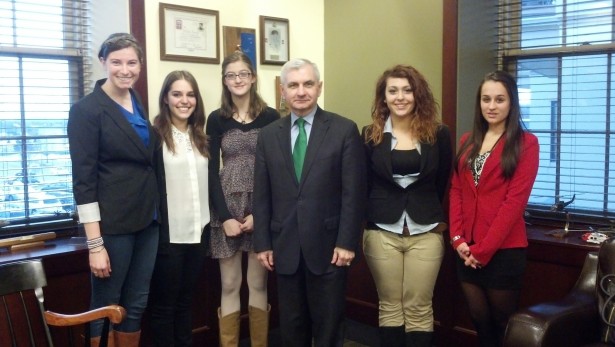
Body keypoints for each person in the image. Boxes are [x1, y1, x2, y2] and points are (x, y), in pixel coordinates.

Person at [253, 58, 366, 347]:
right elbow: (262, 193)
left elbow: (353, 192)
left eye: (307, 84)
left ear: (319, 87)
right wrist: (263, 242)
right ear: (282, 90)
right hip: (285, 246)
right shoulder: (268, 136)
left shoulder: (343, 130)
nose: (301, 91)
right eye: (293, 85)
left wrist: (347, 241)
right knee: (291, 326)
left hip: (330, 248)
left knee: (328, 325)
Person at [67, 33, 158, 347]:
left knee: (137, 302)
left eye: (132, 62)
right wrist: (95, 245)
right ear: (103, 62)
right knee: (107, 303)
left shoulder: (136, 100)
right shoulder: (86, 110)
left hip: (149, 220)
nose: (125, 69)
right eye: (117, 62)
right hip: (113, 226)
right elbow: (84, 182)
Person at [362, 64, 452, 347]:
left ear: (417, 95)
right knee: (389, 306)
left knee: (419, 308)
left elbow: (442, 182)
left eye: (407, 90)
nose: (400, 97)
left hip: (425, 231)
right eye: (393, 91)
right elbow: (363, 184)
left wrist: (426, 210)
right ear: (384, 97)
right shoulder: (369, 135)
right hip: (381, 230)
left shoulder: (438, 134)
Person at [449, 71, 539, 347]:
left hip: (503, 251)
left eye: (499, 99)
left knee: (503, 325)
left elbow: (514, 203)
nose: (492, 106)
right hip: (467, 249)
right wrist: (458, 239)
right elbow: (456, 191)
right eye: (486, 99)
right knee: (479, 322)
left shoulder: (526, 143)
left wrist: (483, 250)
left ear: (511, 103)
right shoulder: (467, 140)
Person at [206, 51, 280, 347]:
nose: (237, 80)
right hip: (227, 208)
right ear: (224, 80)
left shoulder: (272, 116)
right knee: (229, 284)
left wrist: (261, 215)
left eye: (243, 74)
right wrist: (224, 218)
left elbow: (279, 171)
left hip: (260, 207)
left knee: (258, 284)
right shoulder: (216, 118)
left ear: (253, 77)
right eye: (231, 75)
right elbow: (211, 172)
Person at [148, 70, 210, 347]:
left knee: (186, 303)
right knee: (164, 307)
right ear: (165, 98)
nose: (184, 100)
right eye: (177, 94)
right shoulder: (155, 136)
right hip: (169, 236)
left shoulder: (201, 137)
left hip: (199, 232)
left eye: (190, 94)